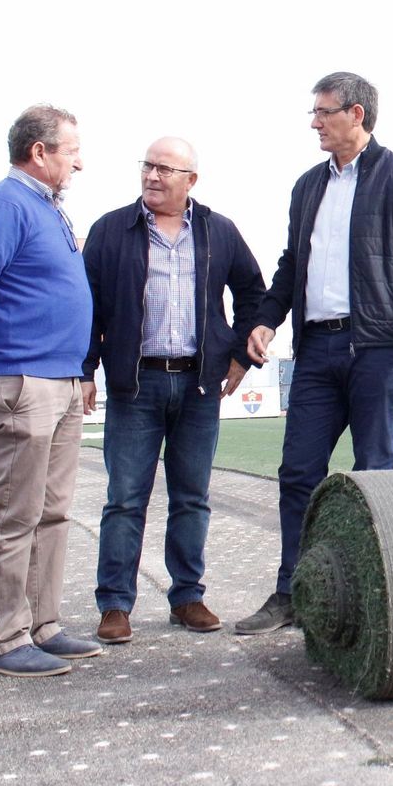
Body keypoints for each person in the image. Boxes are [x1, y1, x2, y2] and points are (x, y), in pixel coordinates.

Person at [235, 71, 393, 635]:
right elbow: (290, 265)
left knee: (375, 473)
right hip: (316, 349)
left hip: (378, 347)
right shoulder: (308, 186)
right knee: (298, 471)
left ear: (356, 114)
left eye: (323, 112)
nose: (314, 122)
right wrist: (265, 319)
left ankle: (372, 596)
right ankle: (290, 592)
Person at [81, 138, 266, 644]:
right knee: (124, 498)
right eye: (147, 166)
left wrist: (241, 354)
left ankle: (187, 596)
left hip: (200, 384)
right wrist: (85, 369)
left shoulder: (218, 231)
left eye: (165, 169)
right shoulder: (110, 231)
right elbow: (87, 305)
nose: (152, 177)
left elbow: (253, 290)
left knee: (191, 497)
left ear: (191, 180)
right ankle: (115, 605)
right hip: (134, 385)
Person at [0, 104, 102, 677]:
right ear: (40, 152)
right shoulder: (6, 205)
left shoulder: (46, 209)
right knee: (14, 514)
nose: (79, 162)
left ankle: (43, 624)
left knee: (53, 512)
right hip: (22, 380)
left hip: (59, 381)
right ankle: (3, 639)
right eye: (71, 150)